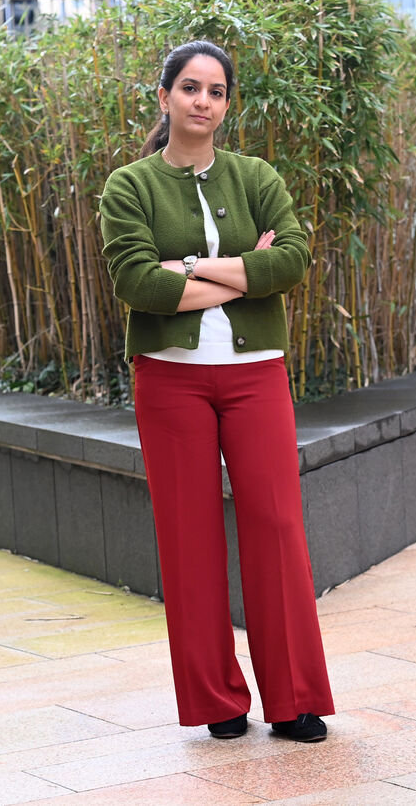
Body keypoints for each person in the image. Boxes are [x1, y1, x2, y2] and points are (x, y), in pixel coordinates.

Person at [98, 39, 335, 742]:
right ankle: (217, 702)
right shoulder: (129, 186)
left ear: (227, 104)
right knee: (188, 539)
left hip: (256, 373)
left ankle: (293, 698)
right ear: (165, 94)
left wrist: (192, 269)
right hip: (170, 382)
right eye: (191, 88)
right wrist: (240, 270)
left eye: (217, 91)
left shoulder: (254, 175)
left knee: (278, 528)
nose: (203, 101)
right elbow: (137, 283)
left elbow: (291, 260)